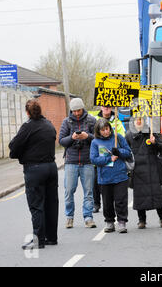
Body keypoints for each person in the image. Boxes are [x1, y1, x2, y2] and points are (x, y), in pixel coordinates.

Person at [9, 99, 58, 250]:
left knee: (37, 205)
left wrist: (19, 154)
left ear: (27, 112)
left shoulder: (27, 126)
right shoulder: (49, 125)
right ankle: (51, 237)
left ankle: (38, 240)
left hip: (35, 169)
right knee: (51, 204)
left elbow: (14, 145)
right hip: (51, 167)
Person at [58, 98, 97, 229]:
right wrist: (72, 138)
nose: (76, 113)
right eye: (74, 111)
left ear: (83, 108)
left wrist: (88, 137)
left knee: (88, 192)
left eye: (78, 110)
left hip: (88, 161)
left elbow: (100, 137)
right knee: (69, 191)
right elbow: (61, 141)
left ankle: (88, 217)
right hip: (71, 162)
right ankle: (69, 217)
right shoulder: (66, 121)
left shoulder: (91, 120)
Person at [90, 118, 132, 233]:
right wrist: (109, 158)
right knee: (107, 202)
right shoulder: (95, 142)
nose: (105, 132)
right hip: (104, 177)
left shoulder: (118, 137)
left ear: (110, 128)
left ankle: (122, 222)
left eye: (107, 129)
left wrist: (119, 152)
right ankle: (109, 221)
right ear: (98, 131)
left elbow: (128, 152)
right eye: (102, 130)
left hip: (120, 175)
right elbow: (93, 159)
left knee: (121, 200)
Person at [126, 117, 162, 229]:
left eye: (141, 119)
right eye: (136, 120)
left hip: (152, 168)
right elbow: (126, 151)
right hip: (138, 170)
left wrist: (154, 143)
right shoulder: (129, 135)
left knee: (157, 195)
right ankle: (142, 220)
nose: (138, 122)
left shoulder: (152, 131)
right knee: (139, 197)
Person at [89, 106, 126, 213]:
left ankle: (116, 209)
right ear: (101, 106)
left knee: (113, 189)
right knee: (96, 183)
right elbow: (92, 135)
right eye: (104, 106)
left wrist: (117, 149)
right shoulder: (94, 118)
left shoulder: (117, 121)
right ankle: (96, 203)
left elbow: (122, 137)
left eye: (109, 106)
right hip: (100, 158)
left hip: (115, 159)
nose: (106, 108)